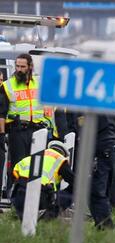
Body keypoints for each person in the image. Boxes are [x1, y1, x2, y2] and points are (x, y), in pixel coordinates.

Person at [0, 54, 53, 195]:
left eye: (22, 66)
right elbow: (2, 113)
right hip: (18, 131)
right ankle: (16, 199)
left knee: (36, 165)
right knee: (18, 165)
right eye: (17, 66)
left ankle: (35, 198)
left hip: (38, 130)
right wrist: (2, 133)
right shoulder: (8, 85)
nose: (19, 69)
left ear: (30, 67)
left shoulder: (40, 83)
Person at [11, 140, 73, 220]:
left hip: (19, 196)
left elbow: (14, 173)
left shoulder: (33, 156)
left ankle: (19, 213)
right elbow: (75, 182)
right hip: (40, 197)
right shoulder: (60, 160)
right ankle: (46, 219)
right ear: (63, 154)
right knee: (73, 191)